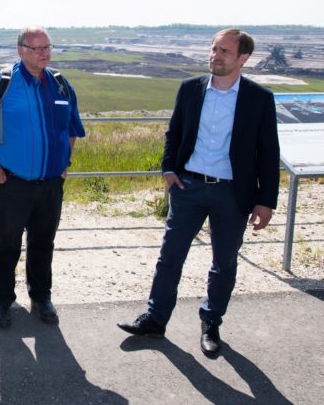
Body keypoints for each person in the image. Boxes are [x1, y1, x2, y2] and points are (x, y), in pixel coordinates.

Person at [117, 28, 280, 356]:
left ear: (242, 58)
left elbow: (268, 152)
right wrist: (168, 168)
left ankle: (211, 323)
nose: (215, 56)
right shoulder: (190, 89)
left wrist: (266, 202)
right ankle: (155, 318)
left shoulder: (259, 98)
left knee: (223, 263)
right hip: (188, 187)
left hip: (232, 195)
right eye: (214, 49)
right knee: (170, 257)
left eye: (224, 52)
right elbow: (174, 133)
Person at [0, 26, 85, 328]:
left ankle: (41, 297)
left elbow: (72, 128)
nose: (44, 53)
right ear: (20, 50)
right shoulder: (1, 84)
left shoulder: (60, 85)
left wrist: (65, 161)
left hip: (50, 184)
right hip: (12, 182)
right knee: (7, 244)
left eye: (47, 47)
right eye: (37, 48)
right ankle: (2, 301)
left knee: (44, 242)